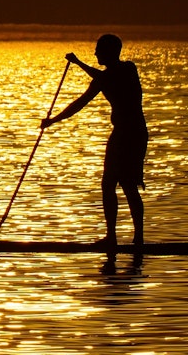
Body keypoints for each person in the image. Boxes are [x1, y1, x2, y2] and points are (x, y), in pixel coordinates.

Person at [42, 34, 148, 251]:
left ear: (110, 51)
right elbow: (79, 103)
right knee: (109, 184)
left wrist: (79, 63)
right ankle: (112, 237)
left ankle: (138, 238)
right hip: (120, 133)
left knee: (128, 184)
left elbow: (107, 78)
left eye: (99, 49)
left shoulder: (128, 69)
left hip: (133, 134)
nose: (95, 53)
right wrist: (53, 121)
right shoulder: (103, 78)